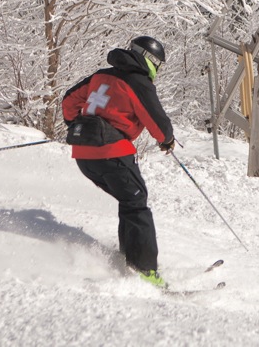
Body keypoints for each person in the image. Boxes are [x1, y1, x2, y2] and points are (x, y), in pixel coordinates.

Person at [61, 35, 176, 288]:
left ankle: (130, 258)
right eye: (157, 63)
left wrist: (78, 126)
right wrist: (166, 140)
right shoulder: (138, 82)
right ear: (148, 59)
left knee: (130, 199)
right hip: (111, 152)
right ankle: (143, 270)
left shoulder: (102, 75)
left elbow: (69, 101)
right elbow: (157, 122)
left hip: (83, 155)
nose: (157, 69)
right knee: (136, 203)